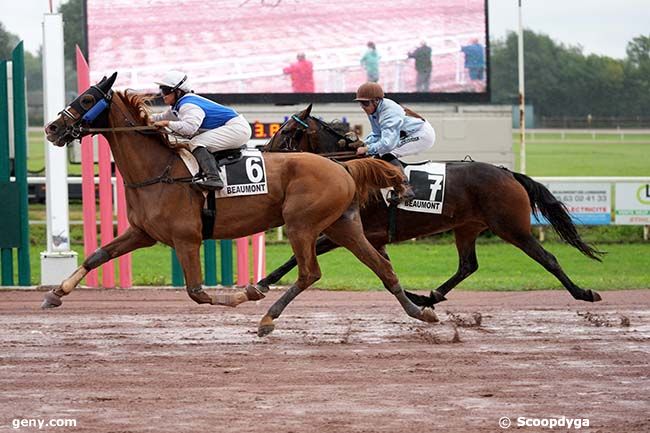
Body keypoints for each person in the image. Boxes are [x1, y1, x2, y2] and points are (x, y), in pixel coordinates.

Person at [151, 70, 252, 191]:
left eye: (165, 91)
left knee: (196, 142)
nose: (162, 95)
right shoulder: (178, 106)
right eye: (161, 90)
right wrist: (143, 117)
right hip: (235, 127)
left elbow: (189, 129)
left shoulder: (187, 105)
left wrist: (167, 123)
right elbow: (160, 117)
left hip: (237, 129)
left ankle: (214, 179)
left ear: (178, 91)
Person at [353, 82, 436, 204]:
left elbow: (387, 144)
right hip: (407, 133)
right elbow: (377, 134)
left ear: (376, 101)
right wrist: (364, 144)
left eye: (365, 103)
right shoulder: (375, 110)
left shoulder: (388, 112)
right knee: (380, 153)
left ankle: (405, 189)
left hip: (421, 134)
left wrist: (367, 149)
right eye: (360, 103)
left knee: (387, 153)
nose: (363, 107)